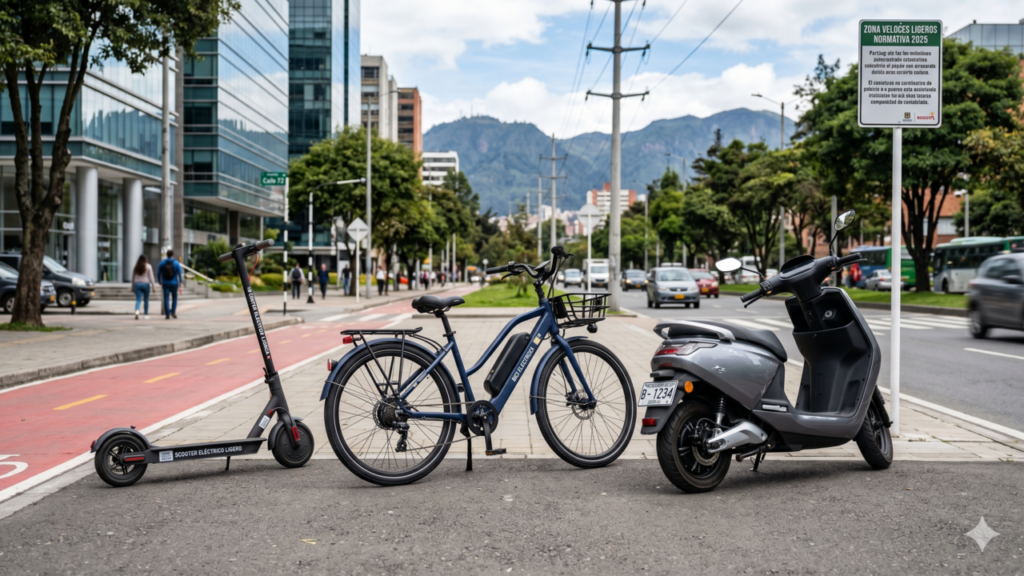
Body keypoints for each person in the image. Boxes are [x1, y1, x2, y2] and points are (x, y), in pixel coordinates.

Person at [157, 250, 182, 320]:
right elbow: (179, 273)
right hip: (174, 283)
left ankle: (167, 314)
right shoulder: (176, 263)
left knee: (166, 298)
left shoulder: (162, 263)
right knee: (174, 297)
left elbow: (158, 272)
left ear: (166, 255)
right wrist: (180, 281)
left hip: (165, 283)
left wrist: (159, 280)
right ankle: (173, 312)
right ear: (173, 255)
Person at [131, 254, 155, 320]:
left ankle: (137, 311)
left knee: (138, 299)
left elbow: (133, 278)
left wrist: (132, 287)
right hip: (146, 284)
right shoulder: (148, 266)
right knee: (146, 299)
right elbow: (151, 277)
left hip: (137, 284)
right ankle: (146, 314)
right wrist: (153, 286)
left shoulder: (136, 266)